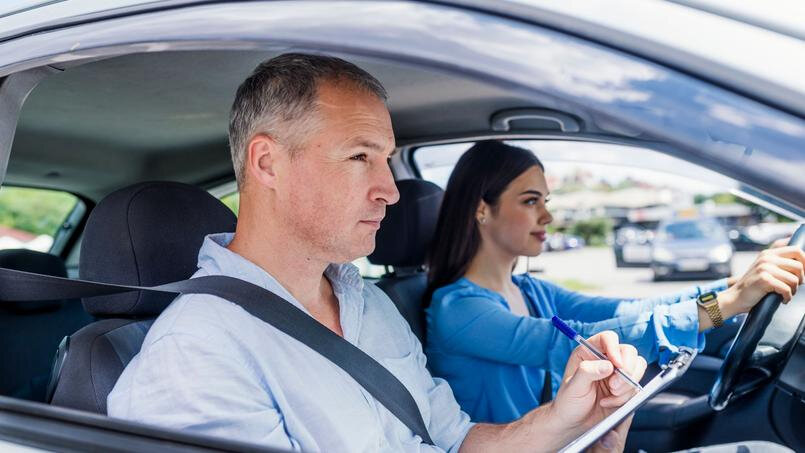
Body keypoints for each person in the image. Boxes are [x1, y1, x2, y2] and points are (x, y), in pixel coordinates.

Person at [106, 54, 646, 452]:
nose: (389, 189)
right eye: (360, 156)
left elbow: (453, 441)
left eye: (387, 159)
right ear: (268, 164)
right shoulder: (196, 356)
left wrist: (568, 421)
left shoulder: (369, 304)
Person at [425, 140, 804, 424]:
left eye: (546, 200)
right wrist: (724, 305)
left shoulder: (530, 290)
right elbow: (580, 343)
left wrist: (732, 284)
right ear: (481, 209)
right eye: (530, 201)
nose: (548, 216)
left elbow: (629, 311)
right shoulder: (458, 309)